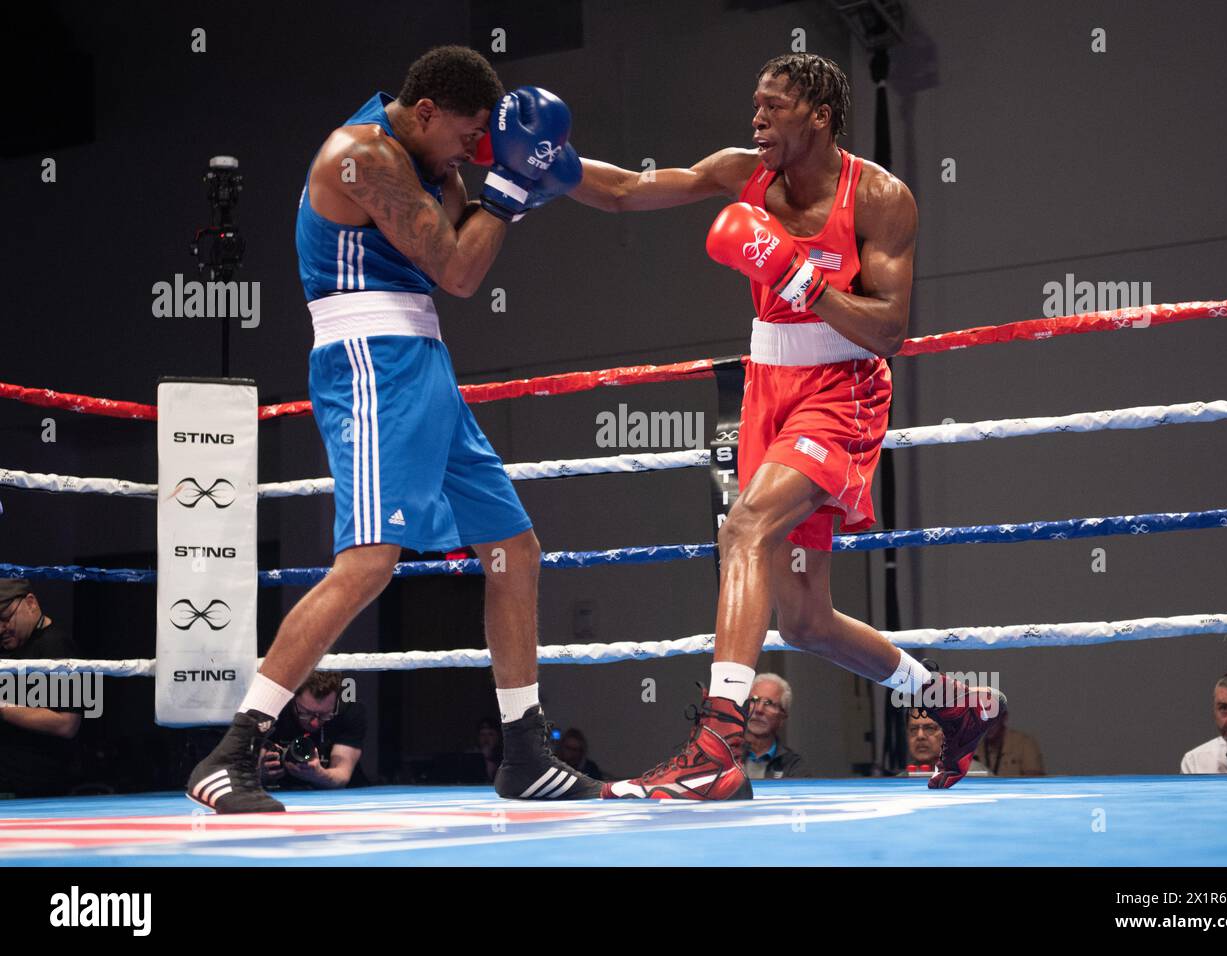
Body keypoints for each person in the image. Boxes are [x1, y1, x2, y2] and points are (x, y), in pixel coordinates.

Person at [571, 53, 1005, 799]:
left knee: (744, 527)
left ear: (819, 116)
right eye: (755, 105)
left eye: (773, 106)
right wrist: (542, 165)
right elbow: (629, 190)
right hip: (767, 388)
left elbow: (890, 329)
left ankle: (716, 745)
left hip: (841, 389)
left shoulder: (879, 196)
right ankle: (952, 703)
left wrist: (802, 278)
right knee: (805, 620)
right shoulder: (744, 172)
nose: (757, 119)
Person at [188, 45, 599, 813]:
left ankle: (523, 752)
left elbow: (469, 239)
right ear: (425, 112)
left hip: (424, 361)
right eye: (468, 136)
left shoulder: (430, 162)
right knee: (371, 562)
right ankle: (231, 750)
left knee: (513, 549)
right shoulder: (364, 156)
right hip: (372, 360)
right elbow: (463, 271)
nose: (473, 154)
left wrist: (526, 180)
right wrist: (508, 190)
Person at [0, 579, 84, 797]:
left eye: (5, 617)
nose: (1, 628)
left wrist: (2, 708)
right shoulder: (8, 648)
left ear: (30, 603)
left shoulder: (58, 646)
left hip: (36, 787)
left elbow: (67, 724)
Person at [260, 672, 366, 790]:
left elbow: (342, 775)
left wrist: (319, 775)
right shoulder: (269, 708)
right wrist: (258, 773)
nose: (314, 723)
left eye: (324, 714)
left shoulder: (349, 710)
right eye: (306, 713)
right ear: (292, 697)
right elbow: (239, 770)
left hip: (338, 796)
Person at [742, 673, 807, 779]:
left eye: (768, 703)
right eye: (754, 700)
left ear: (782, 717)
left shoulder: (793, 766)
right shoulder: (725, 756)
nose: (759, 710)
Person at [974, 715, 1045, 776]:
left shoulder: (1024, 743)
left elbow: (1035, 779)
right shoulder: (975, 747)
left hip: (1017, 791)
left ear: (1004, 717)